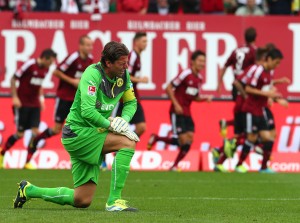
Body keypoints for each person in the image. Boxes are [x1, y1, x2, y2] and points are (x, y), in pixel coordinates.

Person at [13, 41, 140, 212]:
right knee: (127, 142)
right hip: (77, 133)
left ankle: (28, 190)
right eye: (122, 63)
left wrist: (123, 120)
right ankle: (114, 201)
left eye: (127, 62)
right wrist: (111, 126)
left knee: (82, 199)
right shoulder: (92, 74)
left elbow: (131, 103)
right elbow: (87, 112)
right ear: (108, 63)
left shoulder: (123, 76)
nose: (126, 66)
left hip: (93, 133)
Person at [26, 35, 94, 168]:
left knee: (83, 128)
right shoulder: (73, 58)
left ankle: (85, 160)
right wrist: (72, 81)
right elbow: (56, 72)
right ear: (80, 46)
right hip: (63, 97)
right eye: (87, 45)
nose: (90, 48)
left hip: (77, 100)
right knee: (57, 129)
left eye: (91, 45)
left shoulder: (91, 61)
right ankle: (35, 141)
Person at [148, 50, 212, 171]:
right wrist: (176, 104)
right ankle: (157, 139)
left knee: (190, 139)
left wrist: (205, 98)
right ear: (192, 61)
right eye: (200, 60)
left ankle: (174, 165)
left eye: (204, 61)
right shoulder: (185, 74)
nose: (202, 63)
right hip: (176, 111)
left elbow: (195, 97)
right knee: (182, 141)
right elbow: (168, 87)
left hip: (187, 112)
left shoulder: (199, 79)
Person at [0, 49, 57, 169]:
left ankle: (27, 162)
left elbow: (39, 85)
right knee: (20, 134)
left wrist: (41, 99)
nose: (51, 65)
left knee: (35, 133)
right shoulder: (30, 64)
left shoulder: (45, 69)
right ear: (45, 58)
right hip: (22, 103)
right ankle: (1, 154)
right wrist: (15, 97)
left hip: (34, 104)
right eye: (51, 61)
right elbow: (13, 78)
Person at [235, 48, 284, 173]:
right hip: (251, 109)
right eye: (276, 62)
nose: (277, 65)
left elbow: (267, 90)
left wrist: (276, 97)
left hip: (260, 110)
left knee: (269, 138)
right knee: (251, 137)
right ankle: (239, 165)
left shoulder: (269, 73)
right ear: (269, 59)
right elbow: (248, 89)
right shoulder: (258, 70)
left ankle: (263, 167)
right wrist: (266, 93)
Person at [217, 27, 257, 137]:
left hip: (235, 86)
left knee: (242, 113)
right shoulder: (254, 52)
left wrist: (219, 84)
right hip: (246, 86)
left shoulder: (236, 50)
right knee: (246, 115)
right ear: (255, 38)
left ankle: (228, 124)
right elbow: (257, 70)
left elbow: (224, 66)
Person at [116, 32, 148, 137]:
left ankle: (123, 147)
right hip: (125, 97)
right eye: (143, 41)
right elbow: (125, 75)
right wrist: (140, 80)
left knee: (141, 127)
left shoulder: (137, 56)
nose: (146, 44)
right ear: (136, 42)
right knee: (115, 129)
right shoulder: (132, 56)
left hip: (133, 96)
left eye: (146, 41)